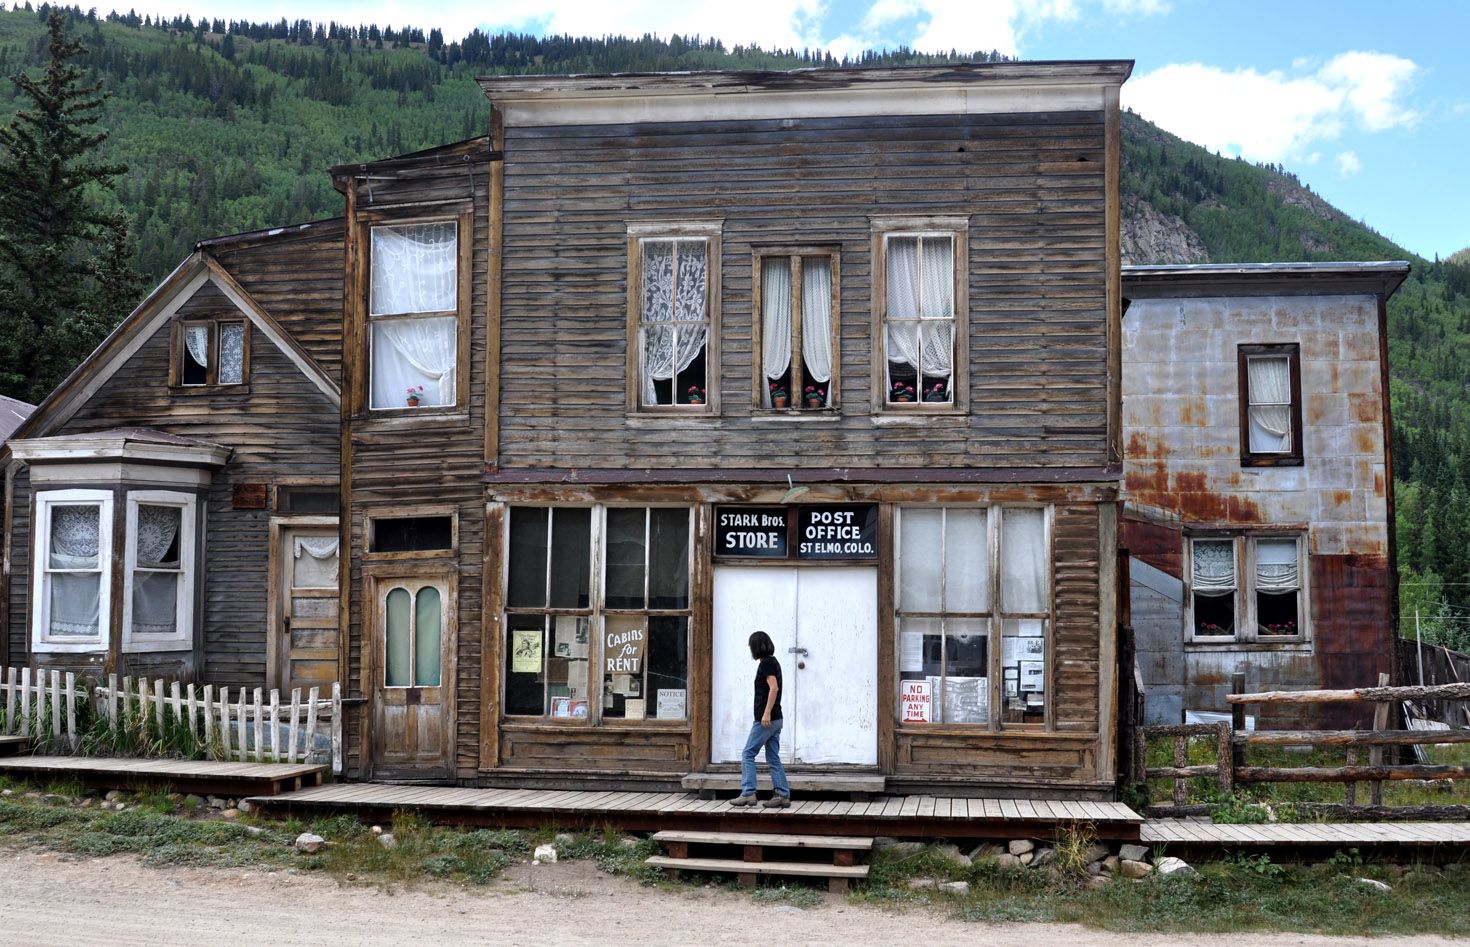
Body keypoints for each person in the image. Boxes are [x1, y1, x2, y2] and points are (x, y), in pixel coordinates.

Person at [730, 630, 791, 808]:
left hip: (767, 720)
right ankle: (782, 795)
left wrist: (766, 714)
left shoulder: (766, 664)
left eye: (751, 646)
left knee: (748, 753)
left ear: (756, 647)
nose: (750, 649)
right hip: (776, 719)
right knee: (773, 757)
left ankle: (748, 793)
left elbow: (774, 688)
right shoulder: (772, 662)